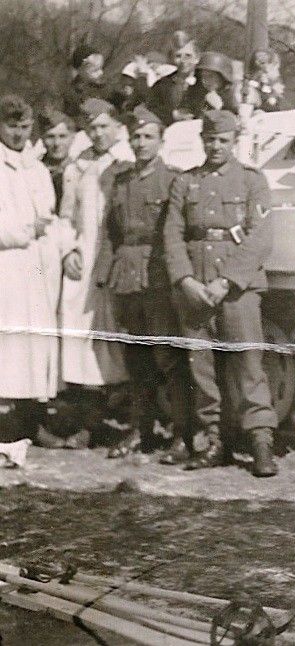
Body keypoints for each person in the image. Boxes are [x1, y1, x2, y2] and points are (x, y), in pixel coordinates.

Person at [163, 109, 278, 477]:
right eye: (209, 139)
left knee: (248, 365)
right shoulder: (185, 182)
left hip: (237, 289)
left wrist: (226, 281)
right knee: (202, 369)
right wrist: (185, 280)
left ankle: (260, 442)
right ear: (202, 141)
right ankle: (215, 442)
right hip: (195, 287)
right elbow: (172, 235)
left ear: (234, 141)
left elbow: (260, 238)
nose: (215, 146)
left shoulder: (252, 181)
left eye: (222, 140)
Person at [94, 106, 190, 460]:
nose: (141, 143)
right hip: (126, 277)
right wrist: (104, 274)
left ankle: (182, 435)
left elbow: (177, 232)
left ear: (161, 141)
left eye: (148, 136)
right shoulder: (121, 182)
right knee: (136, 358)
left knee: (169, 357)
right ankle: (141, 430)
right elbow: (111, 232)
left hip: (158, 278)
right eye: (136, 136)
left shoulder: (173, 180)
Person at [0, 95, 79, 446]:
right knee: (9, 346)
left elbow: (52, 216)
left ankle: (31, 424)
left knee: (34, 346)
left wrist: (67, 248)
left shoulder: (36, 168)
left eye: (24, 127)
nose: (18, 134)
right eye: (11, 127)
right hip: (7, 264)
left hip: (37, 266)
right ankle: (7, 429)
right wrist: (24, 231)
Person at [58, 98, 132, 446]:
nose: (98, 133)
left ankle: (128, 423)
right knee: (83, 339)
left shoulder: (128, 161)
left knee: (118, 337)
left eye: (104, 126)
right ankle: (88, 422)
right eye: (93, 128)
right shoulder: (78, 166)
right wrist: (67, 249)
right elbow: (65, 216)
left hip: (118, 260)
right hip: (85, 261)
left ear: (116, 126)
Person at [147, 31, 200, 125]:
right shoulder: (162, 85)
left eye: (188, 55)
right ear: (172, 58)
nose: (183, 60)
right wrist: (173, 115)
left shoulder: (206, 82)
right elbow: (152, 108)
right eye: (178, 56)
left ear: (197, 58)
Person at [178, 51, 239, 120]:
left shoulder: (229, 97)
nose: (205, 80)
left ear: (223, 78)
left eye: (210, 76)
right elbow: (183, 112)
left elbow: (235, 120)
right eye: (203, 76)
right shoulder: (196, 93)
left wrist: (219, 108)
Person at [36, 108, 76, 211]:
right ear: (42, 138)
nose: (57, 143)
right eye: (50, 137)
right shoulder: (34, 171)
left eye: (62, 136)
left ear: (72, 137)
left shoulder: (80, 171)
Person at [63, 45, 112, 120]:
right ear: (80, 70)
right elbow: (71, 115)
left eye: (101, 68)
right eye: (95, 70)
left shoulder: (104, 88)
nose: (101, 73)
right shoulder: (73, 92)